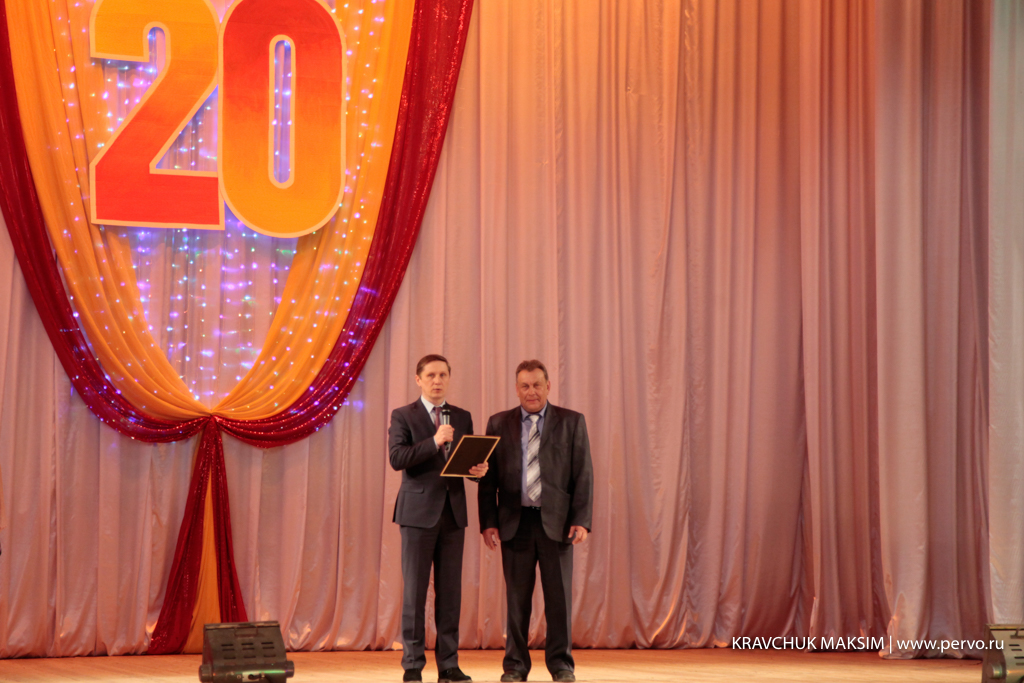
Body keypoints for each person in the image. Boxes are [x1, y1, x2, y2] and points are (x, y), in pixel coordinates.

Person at [478, 360, 593, 683]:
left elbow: (583, 474)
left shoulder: (572, 422)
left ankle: (561, 665)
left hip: (558, 524)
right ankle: (515, 666)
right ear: (517, 389)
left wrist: (581, 519)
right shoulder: (498, 423)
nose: (532, 391)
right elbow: (488, 479)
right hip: (514, 523)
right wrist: (488, 521)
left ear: (548, 386)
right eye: (525, 386)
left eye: (537, 385)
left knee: (559, 600)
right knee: (517, 602)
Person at [389, 354, 488, 683]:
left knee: (450, 595)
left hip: (453, 514)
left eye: (443, 375)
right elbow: (397, 458)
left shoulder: (462, 416)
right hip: (417, 514)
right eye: (430, 375)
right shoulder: (403, 415)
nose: (437, 380)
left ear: (449, 378)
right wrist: (434, 441)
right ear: (418, 379)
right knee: (415, 594)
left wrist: (477, 471)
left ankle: (449, 665)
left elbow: (464, 462)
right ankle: (412, 665)